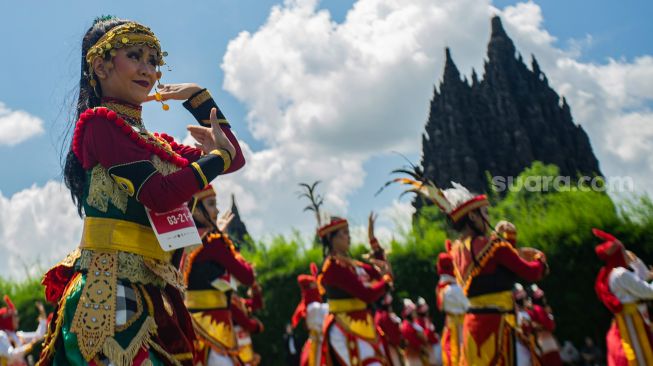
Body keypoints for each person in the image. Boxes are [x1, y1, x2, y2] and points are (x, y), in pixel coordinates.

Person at [38, 17, 244, 366]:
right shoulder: (100, 123)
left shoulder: (152, 142)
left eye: (154, 61)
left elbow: (234, 158)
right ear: (100, 66)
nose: (148, 69)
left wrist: (199, 97)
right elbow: (160, 194)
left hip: (153, 286)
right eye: (135, 55)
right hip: (112, 284)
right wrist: (215, 159)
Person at [390, 177, 547, 366]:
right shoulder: (495, 246)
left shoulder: (456, 250)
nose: (488, 217)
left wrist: (507, 242)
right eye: (485, 213)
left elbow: (496, 273)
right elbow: (531, 273)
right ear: (472, 216)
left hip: (473, 326)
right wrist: (539, 259)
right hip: (499, 326)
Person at [182, 185, 256, 366]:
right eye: (211, 204)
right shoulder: (214, 243)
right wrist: (223, 239)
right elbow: (247, 276)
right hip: (216, 327)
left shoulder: (181, 242)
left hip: (190, 327)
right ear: (196, 211)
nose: (217, 210)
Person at [317, 216, 393, 365]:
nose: (349, 237)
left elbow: (379, 274)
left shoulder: (353, 264)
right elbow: (366, 294)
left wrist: (374, 244)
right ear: (332, 239)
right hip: (344, 327)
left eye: (348, 232)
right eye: (344, 233)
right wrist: (386, 282)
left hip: (364, 323)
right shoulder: (333, 268)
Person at [593, 228, 653, 365]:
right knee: (640, 355)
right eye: (623, 250)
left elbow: (640, 279)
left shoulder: (613, 273)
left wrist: (636, 262)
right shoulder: (621, 274)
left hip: (629, 318)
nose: (626, 253)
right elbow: (648, 291)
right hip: (632, 320)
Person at [435, 252, 468, 366]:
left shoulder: (441, 288)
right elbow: (469, 306)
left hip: (450, 325)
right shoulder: (456, 289)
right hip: (463, 325)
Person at [291, 264, 328, 366]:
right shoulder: (313, 307)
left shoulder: (309, 306)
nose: (317, 288)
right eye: (314, 285)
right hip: (319, 346)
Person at [0, 297, 47, 366]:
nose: (17, 319)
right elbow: (11, 354)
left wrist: (42, 314)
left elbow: (39, 335)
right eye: (15, 316)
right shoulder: (1, 335)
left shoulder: (18, 335)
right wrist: (28, 346)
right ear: (7, 318)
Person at [528, 285, 562, 366]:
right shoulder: (538, 309)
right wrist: (548, 314)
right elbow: (550, 326)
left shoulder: (532, 309)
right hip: (545, 342)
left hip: (540, 341)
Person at [374, 293, 404, 366]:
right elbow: (393, 337)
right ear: (383, 301)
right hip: (391, 349)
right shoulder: (384, 316)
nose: (390, 296)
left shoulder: (382, 314)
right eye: (387, 295)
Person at [401, 299, 429, 366]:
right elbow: (412, 341)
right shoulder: (406, 326)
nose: (415, 313)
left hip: (419, 354)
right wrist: (422, 348)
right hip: (413, 355)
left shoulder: (413, 324)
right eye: (413, 312)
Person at [415, 298, 441, 366]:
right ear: (419, 309)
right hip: (431, 348)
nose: (426, 306)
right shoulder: (418, 322)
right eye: (424, 305)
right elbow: (426, 336)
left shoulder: (426, 318)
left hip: (435, 345)